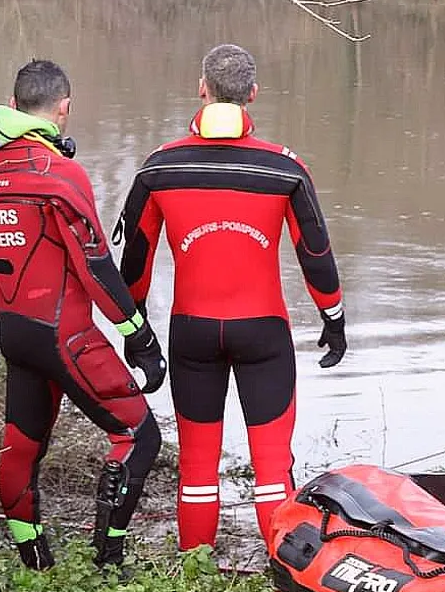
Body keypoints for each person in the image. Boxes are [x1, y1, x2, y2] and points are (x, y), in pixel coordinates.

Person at [117, 44, 347, 551]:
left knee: (197, 467)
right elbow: (316, 252)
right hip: (263, 330)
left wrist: (136, 331)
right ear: (253, 95)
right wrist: (333, 317)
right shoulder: (283, 168)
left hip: (192, 331)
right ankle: (281, 572)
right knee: (271, 467)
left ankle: (195, 573)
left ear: (202, 89)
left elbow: (134, 262)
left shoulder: (159, 167)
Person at [0, 60, 166, 570]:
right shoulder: (60, 174)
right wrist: (139, 336)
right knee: (138, 436)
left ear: (14, 102)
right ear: (64, 107)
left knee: (21, 447)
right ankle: (109, 560)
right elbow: (94, 264)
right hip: (66, 334)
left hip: (16, 332)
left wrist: (16, 325)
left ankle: (34, 561)